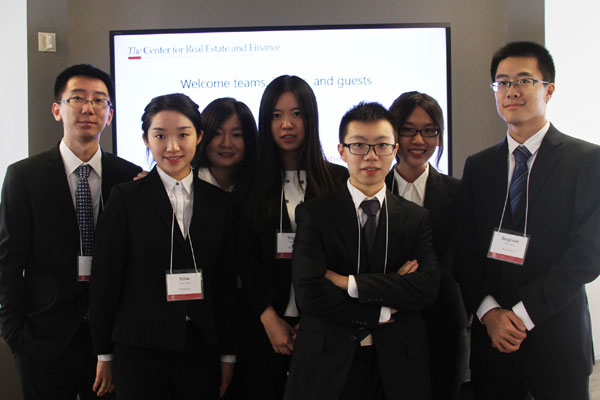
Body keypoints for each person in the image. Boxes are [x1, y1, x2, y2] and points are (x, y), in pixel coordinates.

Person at [454, 41, 600, 400]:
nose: (511, 91)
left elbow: (588, 254)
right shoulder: (479, 165)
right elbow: (465, 249)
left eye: (524, 81)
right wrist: (489, 314)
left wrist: (521, 314)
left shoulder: (586, 160)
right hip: (494, 344)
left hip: (557, 342)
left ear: (549, 89)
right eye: (502, 83)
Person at [0, 64, 141, 399]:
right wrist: (14, 333)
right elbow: (7, 260)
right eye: (77, 98)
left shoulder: (129, 177)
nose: (88, 108)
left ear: (110, 115)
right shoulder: (24, 176)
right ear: (57, 109)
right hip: (43, 338)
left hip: (111, 338)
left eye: (99, 101)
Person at [284, 102, 440, 400]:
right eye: (359, 145)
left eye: (381, 146)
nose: (370, 156)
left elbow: (426, 288)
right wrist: (384, 307)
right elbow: (310, 294)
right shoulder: (315, 214)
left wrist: (349, 283)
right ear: (341, 151)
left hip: (398, 362)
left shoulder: (415, 217)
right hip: (328, 360)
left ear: (395, 151)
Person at [89, 93, 237, 399]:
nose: (172, 147)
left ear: (199, 136)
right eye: (160, 136)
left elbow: (224, 284)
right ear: (146, 139)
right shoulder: (126, 198)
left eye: (183, 135)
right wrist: (103, 353)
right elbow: (106, 280)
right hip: (139, 349)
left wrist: (228, 354)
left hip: (201, 347)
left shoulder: (220, 203)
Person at [238, 75, 348, 400]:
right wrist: (269, 318)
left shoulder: (337, 179)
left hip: (324, 325)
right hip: (263, 325)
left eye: (297, 113)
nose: (287, 124)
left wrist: (314, 320)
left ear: (310, 118)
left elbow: (342, 256)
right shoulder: (249, 182)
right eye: (276, 115)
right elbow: (245, 258)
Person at [385, 91, 468, 400]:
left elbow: (465, 259)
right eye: (408, 129)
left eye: (429, 130)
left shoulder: (459, 193)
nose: (418, 139)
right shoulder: (372, 192)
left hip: (443, 325)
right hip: (387, 325)